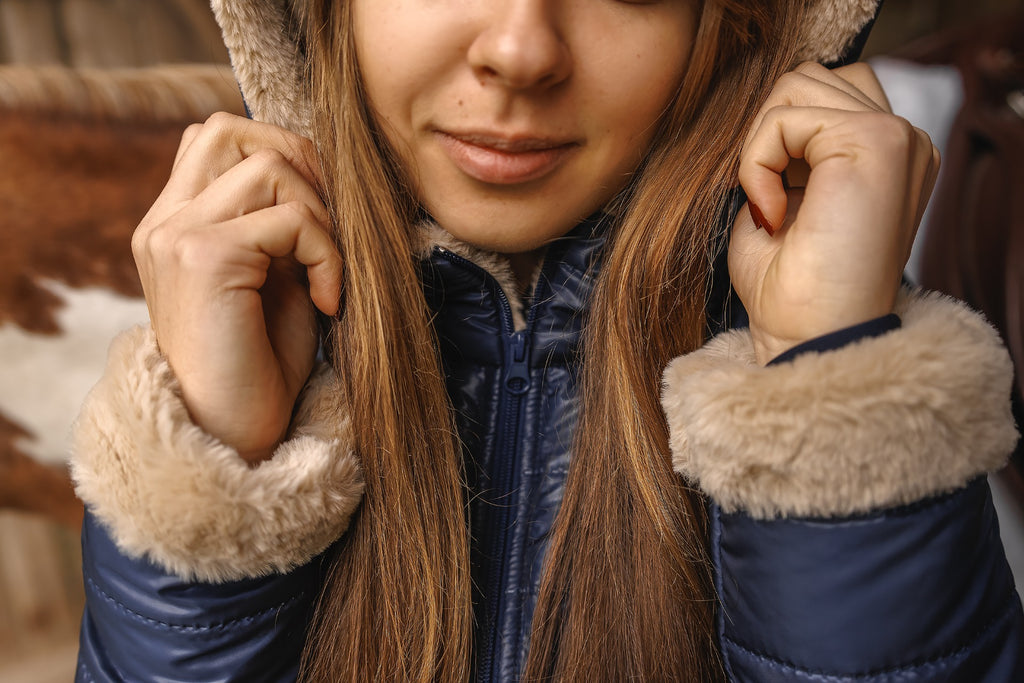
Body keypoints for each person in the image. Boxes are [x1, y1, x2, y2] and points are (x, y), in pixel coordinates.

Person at [70, 0, 1023, 681]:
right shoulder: (239, 367)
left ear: (741, 22)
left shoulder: (820, 344)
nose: (522, 49)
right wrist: (212, 488)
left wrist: (829, 390)